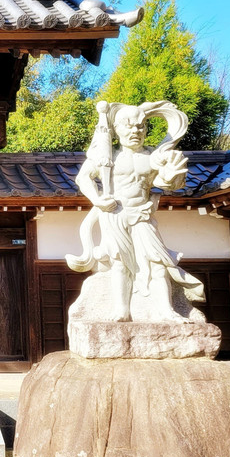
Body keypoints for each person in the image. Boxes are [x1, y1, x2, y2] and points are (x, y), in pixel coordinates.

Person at [66, 101, 205, 322]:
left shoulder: (152, 156)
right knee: (120, 264)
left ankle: (165, 310)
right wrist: (98, 199)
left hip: (143, 214)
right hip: (115, 214)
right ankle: (121, 310)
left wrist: (173, 175)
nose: (135, 131)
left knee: (158, 264)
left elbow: (166, 182)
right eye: (128, 126)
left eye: (140, 126)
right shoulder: (107, 156)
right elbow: (83, 178)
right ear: (116, 129)